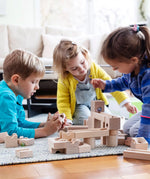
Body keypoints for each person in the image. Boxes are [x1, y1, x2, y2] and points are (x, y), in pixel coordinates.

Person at [53, 40, 135, 125]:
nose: (81, 69)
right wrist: (67, 120)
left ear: (84, 55)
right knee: (86, 120)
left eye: (82, 62)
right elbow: (63, 101)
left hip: (96, 102)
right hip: (80, 106)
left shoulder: (94, 68)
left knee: (108, 119)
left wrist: (126, 103)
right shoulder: (64, 79)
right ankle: (75, 119)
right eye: (74, 68)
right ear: (65, 68)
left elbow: (111, 84)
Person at [91, 25, 150, 143]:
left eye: (116, 67)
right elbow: (123, 82)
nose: (113, 70)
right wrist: (105, 85)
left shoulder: (148, 76)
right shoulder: (133, 69)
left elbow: (148, 109)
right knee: (127, 128)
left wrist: (142, 139)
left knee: (135, 133)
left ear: (133, 60)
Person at [0, 49, 65, 138]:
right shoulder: (6, 96)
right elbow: (10, 132)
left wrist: (44, 125)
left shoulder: (15, 91)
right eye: (33, 82)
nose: (37, 87)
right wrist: (44, 131)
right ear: (16, 80)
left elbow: (20, 122)